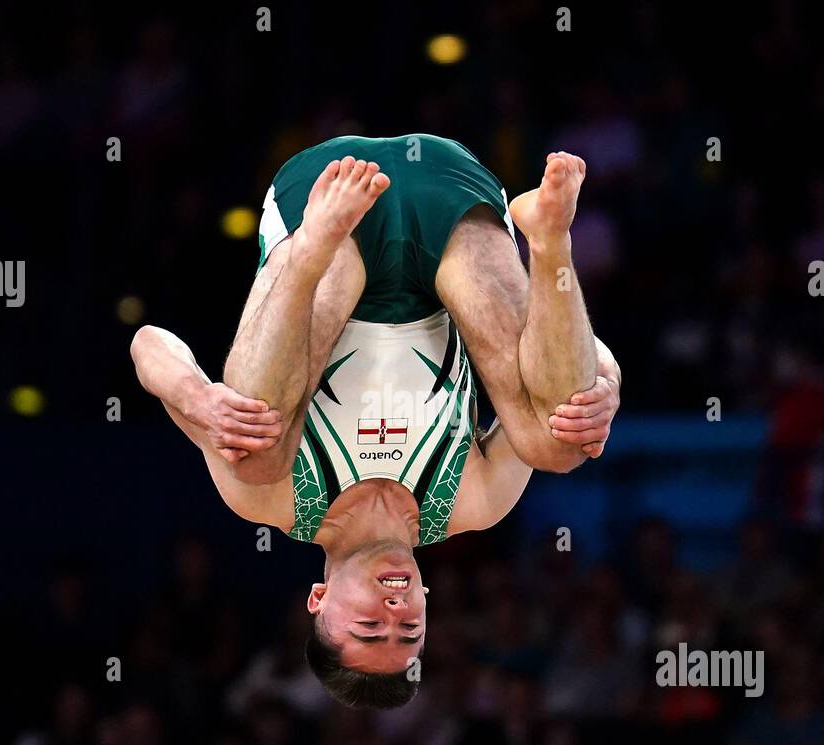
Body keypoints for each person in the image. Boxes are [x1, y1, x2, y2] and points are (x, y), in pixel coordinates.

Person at [132, 135, 621, 709]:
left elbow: (149, 344)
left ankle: (305, 252)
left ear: (318, 599)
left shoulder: (271, 502)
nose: (394, 613)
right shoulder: (475, 502)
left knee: (254, 455)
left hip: (329, 220)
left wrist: (198, 399)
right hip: (456, 221)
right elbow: (575, 369)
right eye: (410, 632)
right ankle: (549, 241)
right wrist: (606, 387)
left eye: (368, 629)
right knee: (558, 444)